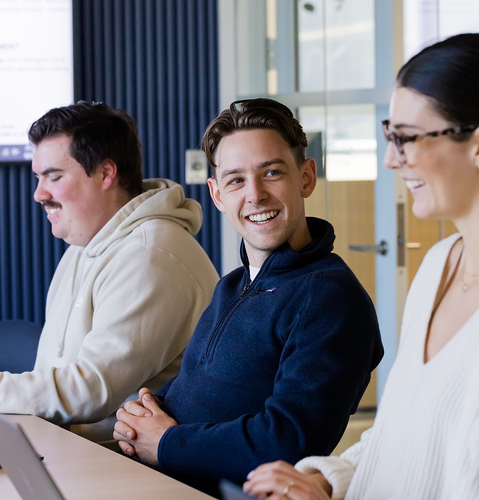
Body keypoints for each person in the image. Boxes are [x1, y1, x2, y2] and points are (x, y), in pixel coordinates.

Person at [243, 33, 479, 500]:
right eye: (389, 134)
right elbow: (404, 436)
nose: (390, 159)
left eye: (407, 138)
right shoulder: (442, 262)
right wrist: (324, 480)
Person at [113, 98, 384, 495]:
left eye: (272, 172)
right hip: (155, 481)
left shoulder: (329, 298)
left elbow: (289, 441)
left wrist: (167, 443)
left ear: (306, 177)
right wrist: (139, 412)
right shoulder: (234, 284)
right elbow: (194, 389)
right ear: (217, 194)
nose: (255, 195)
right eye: (236, 180)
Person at [0, 102, 220, 429]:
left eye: (54, 177)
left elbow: (89, 391)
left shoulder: (151, 256)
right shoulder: (88, 241)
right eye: (38, 177)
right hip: (66, 448)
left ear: (106, 173)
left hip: (120, 467)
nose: (38, 194)